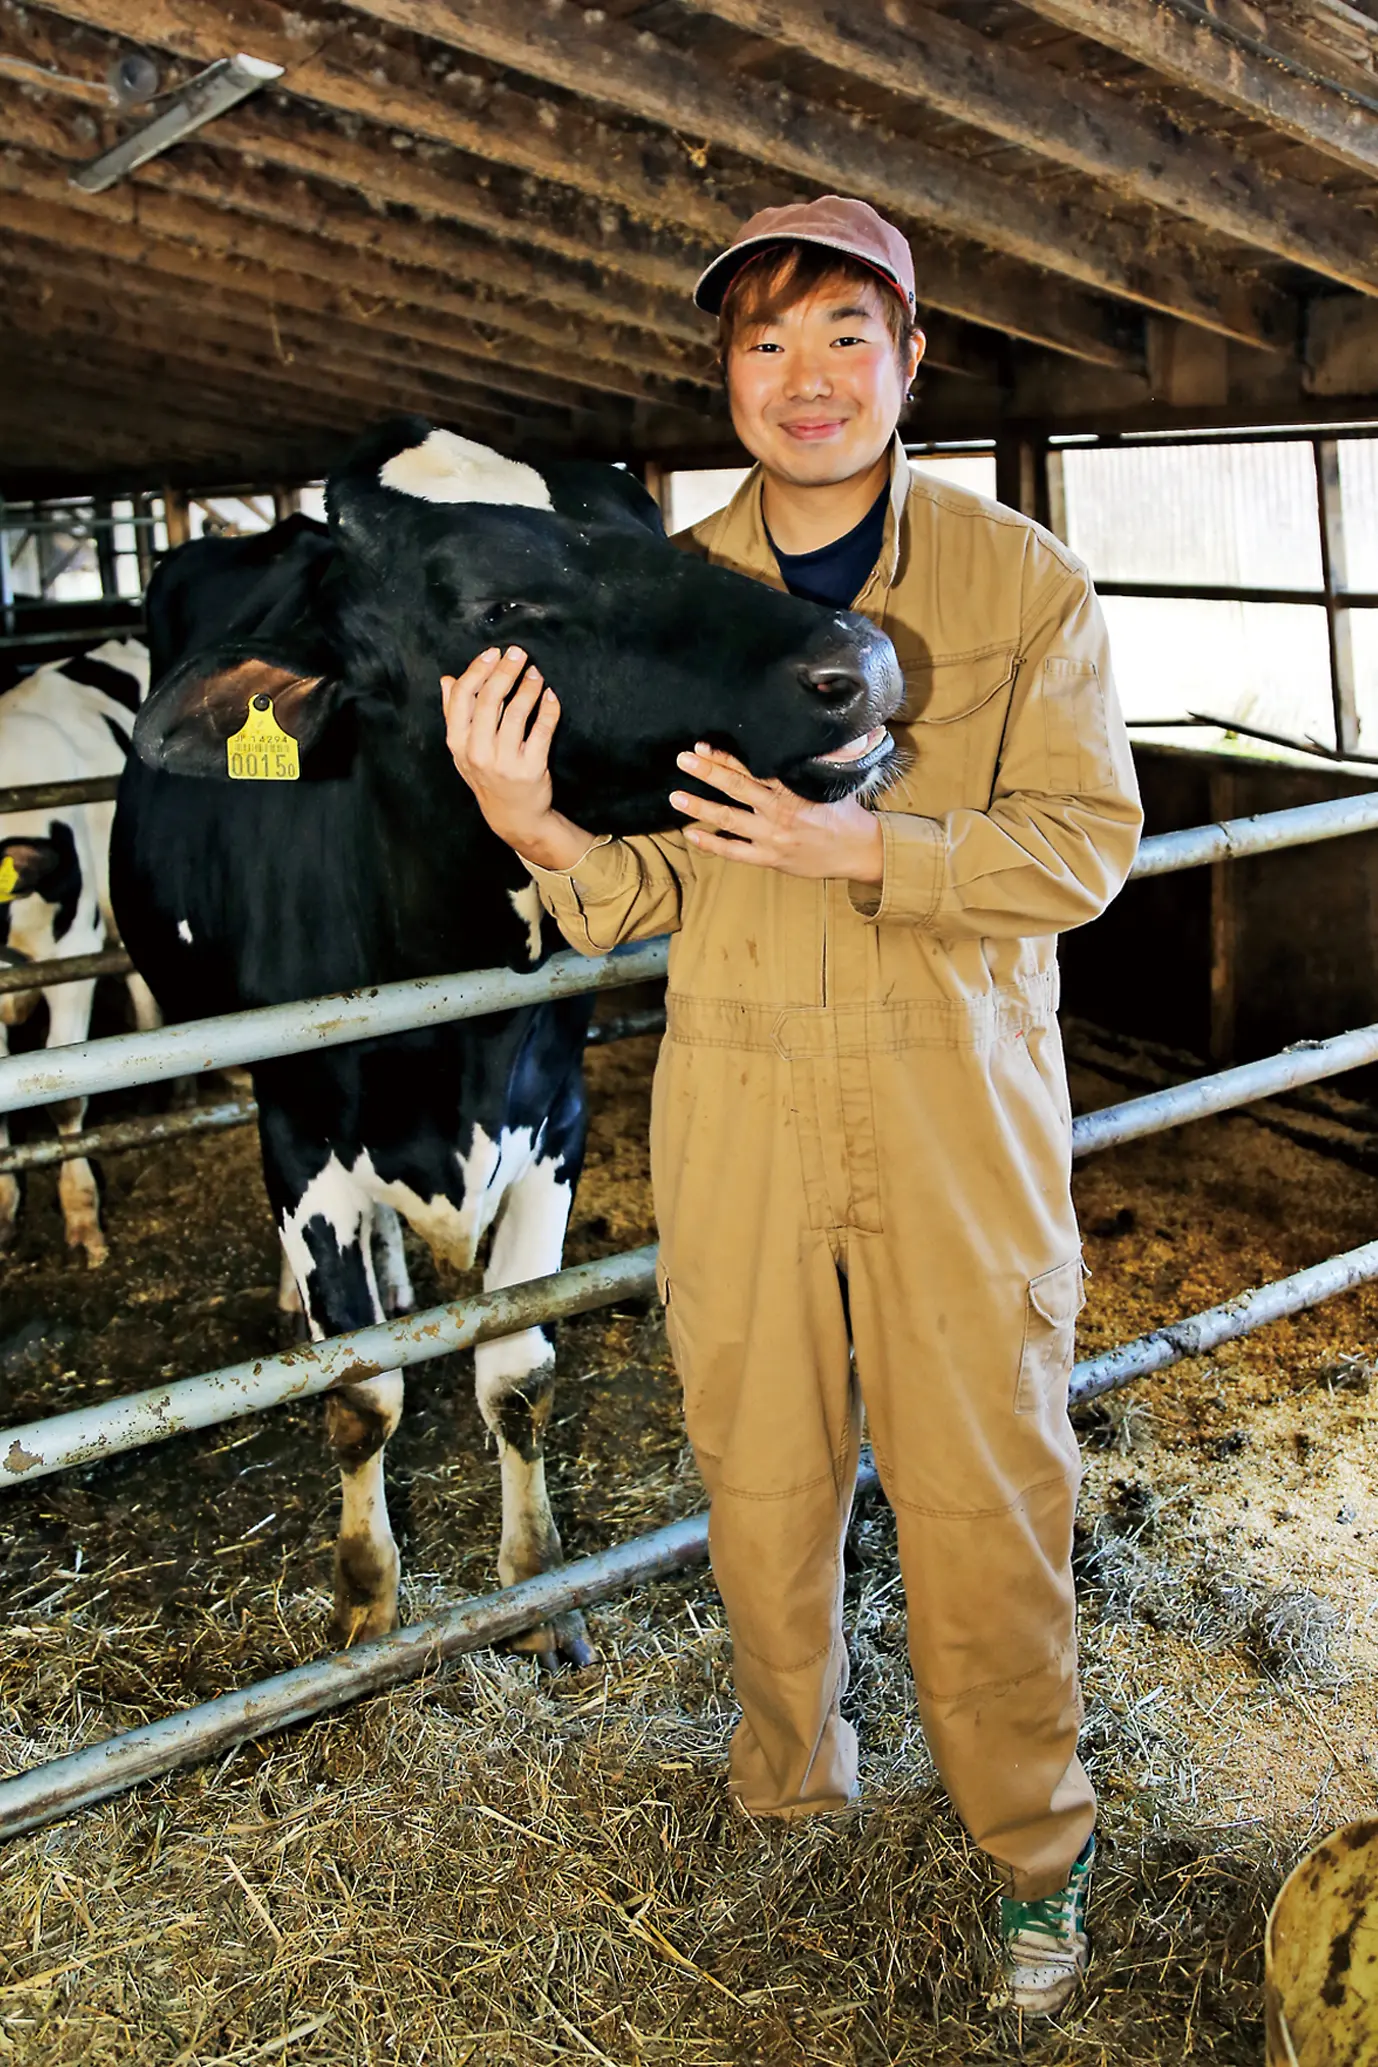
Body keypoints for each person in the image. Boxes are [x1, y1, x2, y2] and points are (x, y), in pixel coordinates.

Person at [441, 195, 1143, 2017]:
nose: (806, 378)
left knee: (986, 1487)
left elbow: (1083, 847)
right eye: (764, 344)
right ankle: (792, 1796)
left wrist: (870, 847)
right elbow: (650, 886)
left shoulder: (1016, 583)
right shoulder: (661, 600)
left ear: (910, 362)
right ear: (724, 380)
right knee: (756, 1476)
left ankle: (1033, 1860)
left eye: (846, 336)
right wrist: (531, 824)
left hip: (948, 1108)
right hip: (737, 1099)